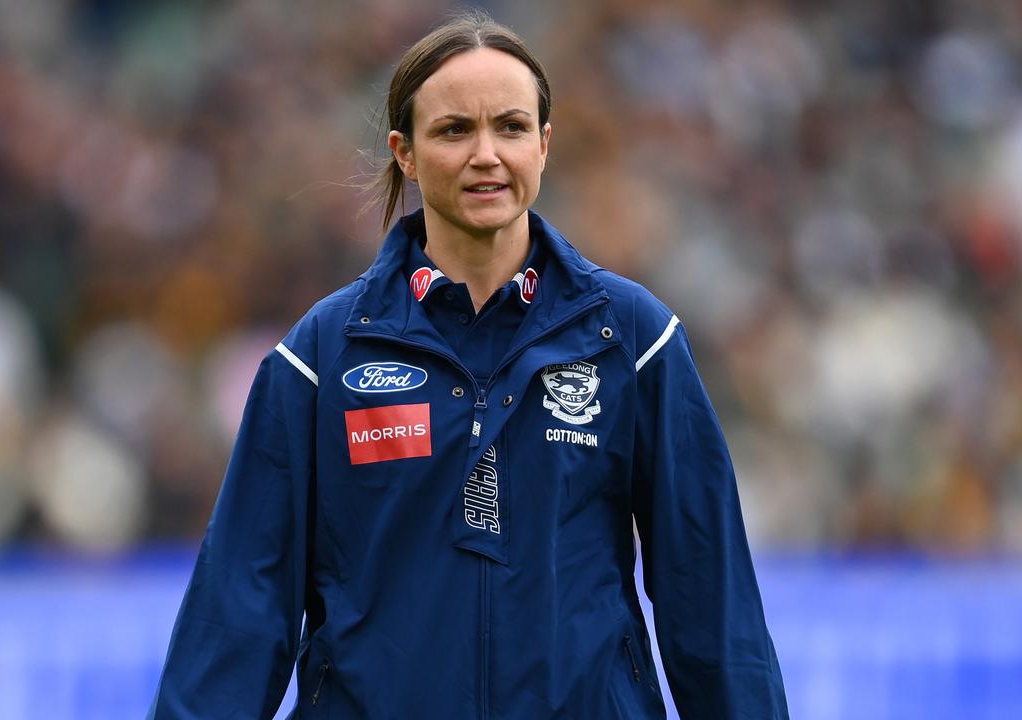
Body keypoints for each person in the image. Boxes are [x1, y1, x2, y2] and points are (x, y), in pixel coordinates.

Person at [149, 10, 788, 719]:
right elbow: (242, 609)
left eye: (511, 127)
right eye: (455, 130)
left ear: (544, 146)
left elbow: (710, 596)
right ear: (405, 153)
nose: (487, 153)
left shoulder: (633, 338)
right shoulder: (320, 356)